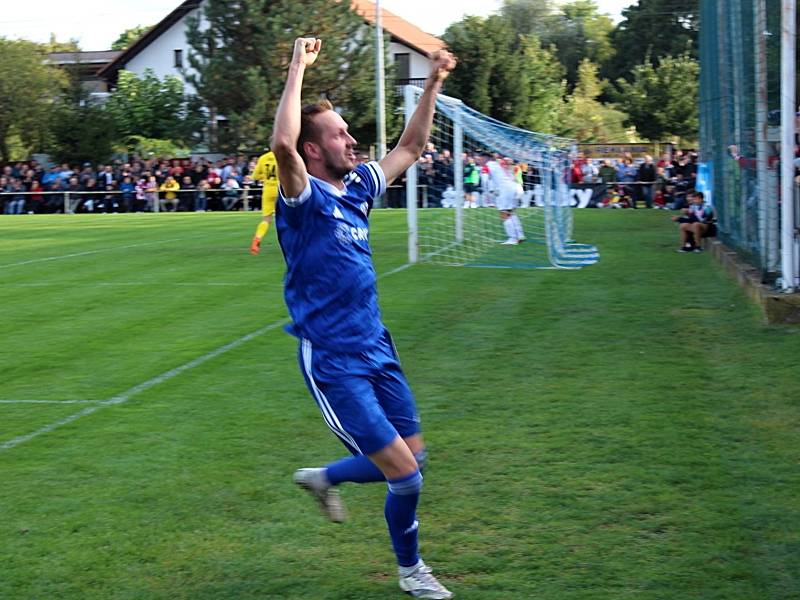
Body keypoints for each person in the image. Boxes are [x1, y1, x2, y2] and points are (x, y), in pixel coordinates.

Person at [272, 37, 456, 600]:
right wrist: (298, 67)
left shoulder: (358, 188)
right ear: (314, 149)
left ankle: (325, 476)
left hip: (377, 346)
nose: (352, 140)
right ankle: (411, 572)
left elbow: (412, 145)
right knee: (407, 474)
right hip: (333, 359)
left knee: (414, 459)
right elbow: (282, 141)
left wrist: (432, 83)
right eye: (339, 134)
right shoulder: (303, 197)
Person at [484, 154, 525, 244]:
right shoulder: (507, 161)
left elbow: (485, 178)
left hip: (505, 189)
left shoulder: (490, 164)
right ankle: (520, 235)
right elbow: (516, 170)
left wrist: (488, 191)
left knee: (504, 214)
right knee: (511, 212)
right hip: (515, 187)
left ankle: (512, 238)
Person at [250, 148, 280, 254]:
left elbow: (255, 176)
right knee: (286, 218)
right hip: (280, 190)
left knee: (266, 220)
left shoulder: (263, 158)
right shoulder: (281, 156)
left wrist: (264, 177)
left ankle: (257, 240)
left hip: (267, 191)